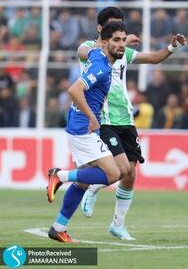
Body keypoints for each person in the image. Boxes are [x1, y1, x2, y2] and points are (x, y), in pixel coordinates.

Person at [78, 7, 187, 240]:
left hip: (126, 119)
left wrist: (172, 47)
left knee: (130, 174)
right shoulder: (91, 49)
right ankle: (90, 187)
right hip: (104, 118)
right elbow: (83, 51)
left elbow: (153, 58)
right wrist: (121, 41)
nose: (119, 32)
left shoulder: (123, 52)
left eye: (121, 26)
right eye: (113, 28)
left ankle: (118, 224)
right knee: (118, 169)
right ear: (100, 29)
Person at [46, 21, 128, 243]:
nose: (122, 45)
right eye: (117, 40)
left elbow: (87, 49)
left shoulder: (97, 54)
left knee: (83, 182)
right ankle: (59, 175)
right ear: (104, 42)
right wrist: (93, 118)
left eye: (124, 39)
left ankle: (58, 228)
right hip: (84, 127)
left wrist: (123, 42)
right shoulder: (100, 68)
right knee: (114, 174)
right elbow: (74, 89)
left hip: (78, 125)